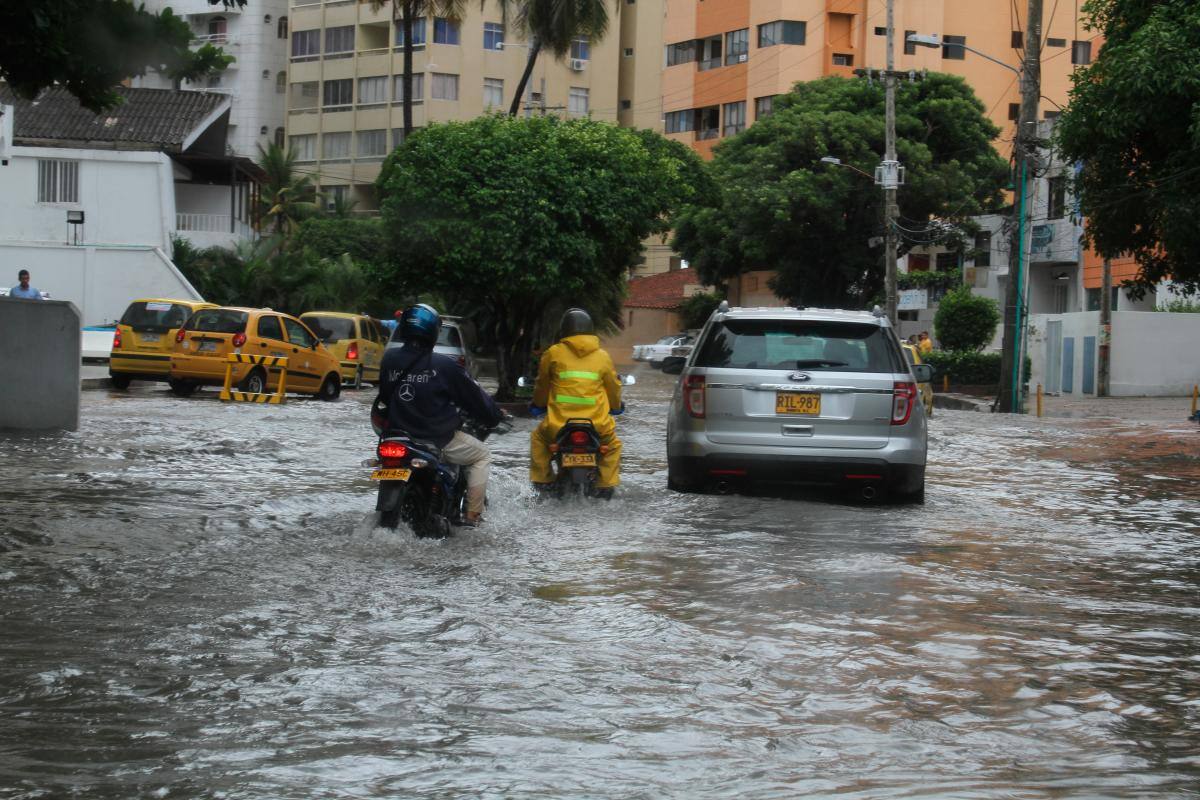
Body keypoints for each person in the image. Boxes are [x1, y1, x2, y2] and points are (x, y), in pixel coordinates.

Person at [375, 303, 504, 526]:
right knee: (482, 455)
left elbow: (385, 397)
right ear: (433, 332)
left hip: (395, 438)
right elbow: (475, 399)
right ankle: (473, 516)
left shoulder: (389, 360)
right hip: (437, 439)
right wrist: (494, 415)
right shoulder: (445, 366)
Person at [530, 308, 623, 498]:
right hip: (597, 425)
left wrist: (538, 404)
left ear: (564, 330)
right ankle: (605, 486)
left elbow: (542, 385)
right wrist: (615, 407)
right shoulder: (603, 356)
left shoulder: (553, 353)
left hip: (559, 426)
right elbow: (613, 387)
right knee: (612, 445)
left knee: (538, 439)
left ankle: (544, 482)